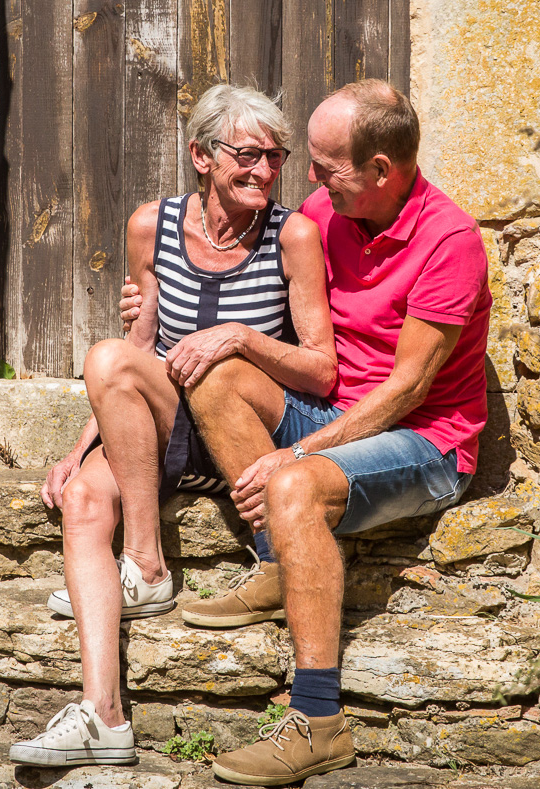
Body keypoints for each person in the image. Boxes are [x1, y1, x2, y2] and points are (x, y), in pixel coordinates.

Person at [121, 79, 493, 786]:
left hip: (423, 440)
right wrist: (151, 296)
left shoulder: (451, 242)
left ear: (382, 170)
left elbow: (406, 391)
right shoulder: (329, 211)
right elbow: (245, 265)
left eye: (325, 167)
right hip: (333, 412)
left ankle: (318, 718)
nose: (308, 181)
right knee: (211, 368)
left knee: (292, 483)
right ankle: (277, 561)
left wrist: (296, 453)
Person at [7, 85, 337, 769]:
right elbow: (138, 351)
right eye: (247, 154)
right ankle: (104, 714)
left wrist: (237, 338)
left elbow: (321, 370)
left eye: (275, 157)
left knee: (121, 366)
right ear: (201, 156)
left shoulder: (292, 234)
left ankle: (147, 564)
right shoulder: (148, 226)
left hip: (238, 434)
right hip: (161, 430)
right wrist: (80, 448)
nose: (264, 171)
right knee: (85, 498)